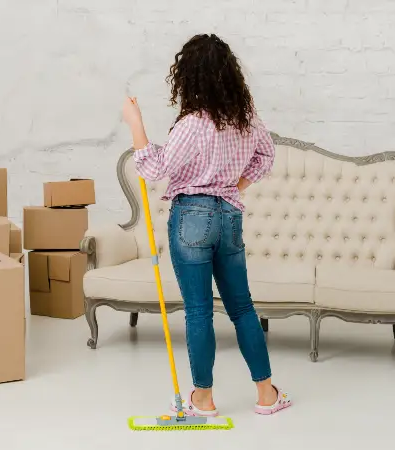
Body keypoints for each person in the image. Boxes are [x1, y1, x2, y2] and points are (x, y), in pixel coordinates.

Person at [121, 33, 291, 416]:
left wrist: (136, 123)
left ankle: (203, 398)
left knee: (198, 311)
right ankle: (267, 395)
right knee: (243, 309)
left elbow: (154, 168)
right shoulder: (246, 119)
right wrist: (234, 185)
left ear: (189, 77)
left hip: (192, 219)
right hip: (229, 215)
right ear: (229, 75)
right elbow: (266, 156)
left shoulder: (193, 124)